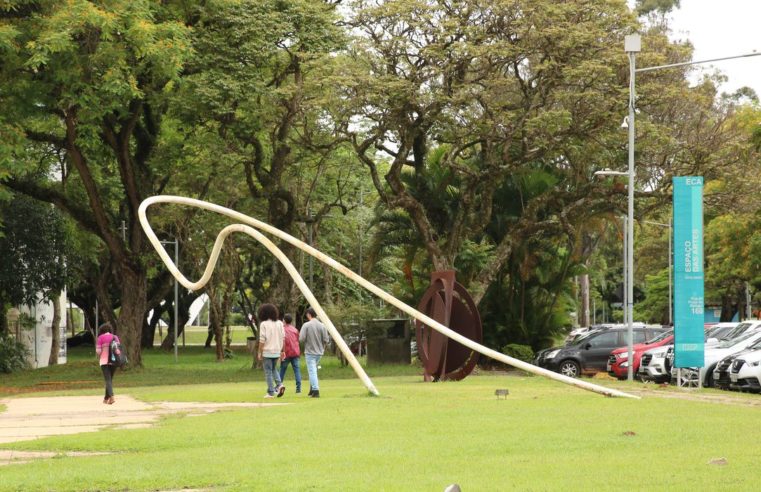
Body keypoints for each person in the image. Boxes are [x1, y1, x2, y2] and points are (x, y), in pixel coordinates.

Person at [299, 307, 330, 398]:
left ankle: (316, 390)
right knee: (313, 371)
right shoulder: (322, 325)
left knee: (312, 371)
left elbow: (301, 339)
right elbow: (326, 340)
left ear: (309, 314)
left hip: (310, 352)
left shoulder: (306, 325)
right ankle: (312, 390)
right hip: (319, 352)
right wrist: (322, 348)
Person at [257, 303, 286, 398]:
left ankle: (270, 392)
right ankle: (279, 384)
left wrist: (259, 352)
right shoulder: (280, 323)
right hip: (277, 350)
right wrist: (282, 351)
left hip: (267, 351)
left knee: (268, 372)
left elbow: (262, 340)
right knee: (274, 369)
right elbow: (283, 338)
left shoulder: (264, 324)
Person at [95, 323, 120, 405]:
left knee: (108, 380)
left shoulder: (100, 338)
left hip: (104, 361)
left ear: (101, 331)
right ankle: (106, 399)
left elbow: (98, 351)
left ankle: (112, 397)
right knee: (109, 380)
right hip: (114, 361)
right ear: (110, 330)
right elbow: (118, 349)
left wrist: (102, 350)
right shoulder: (115, 337)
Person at [279, 313, 302, 393]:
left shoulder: (282, 329)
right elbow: (297, 340)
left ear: (284, 320)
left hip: (286, 352)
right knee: (297, 370)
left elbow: (282, 341)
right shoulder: (295, 330)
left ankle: (279, 386)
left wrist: (282, 351)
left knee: (282, 370)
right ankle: (298, 389)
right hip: (295, 352)